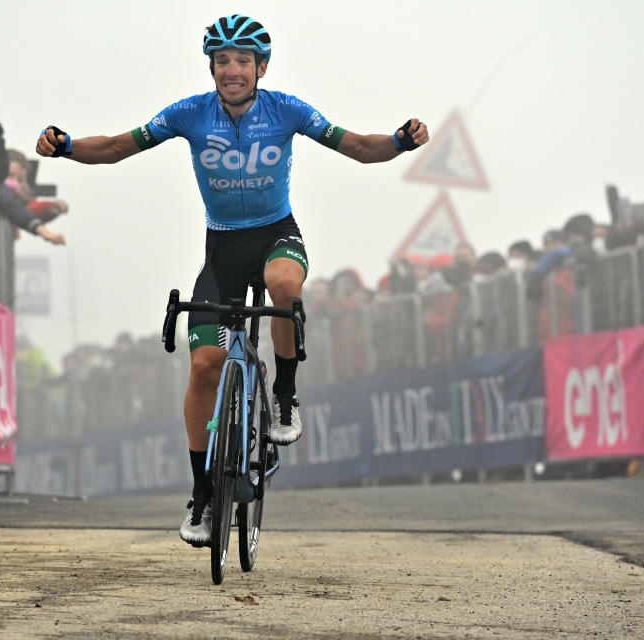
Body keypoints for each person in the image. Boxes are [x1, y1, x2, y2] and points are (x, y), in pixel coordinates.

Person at [35, 14, 428, 546]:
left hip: (275, 235)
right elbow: (116, 147)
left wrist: (401, 141)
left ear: (261, 67)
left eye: (244, 60)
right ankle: (201, 495)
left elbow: (357, 146)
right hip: (221, 251)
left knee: (285, 286)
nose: (233, 69)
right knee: (203, 368)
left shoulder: (285, 109)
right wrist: (65, 146)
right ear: (212, 68)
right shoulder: (189, 114)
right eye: (223, 61)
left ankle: (285, 396)